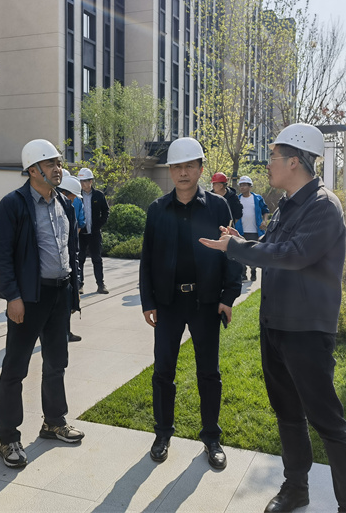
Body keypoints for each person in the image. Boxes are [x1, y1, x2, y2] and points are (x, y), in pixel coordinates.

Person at [199, 123, 346, 513]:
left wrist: (236, 248)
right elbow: (274, 246)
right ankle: (296, 489)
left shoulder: (323, 205)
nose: (267, 164)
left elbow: (293, 254)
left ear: (294, 161)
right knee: (288, 413)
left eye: (273, 156)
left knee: (328, 422)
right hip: (275, 325)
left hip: (306, 330)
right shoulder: (288, 203)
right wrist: (240, 241)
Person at [140, 137, 242, 470]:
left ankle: (211, 437)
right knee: (163, 372)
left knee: (209, 373)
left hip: (206, 302)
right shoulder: (157, 209)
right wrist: (148, 301)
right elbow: (147, 259)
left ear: (200, 169)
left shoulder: (218, 207)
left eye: (189, 166)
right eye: (177, 167)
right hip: (168, 303)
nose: (183, 173)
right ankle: (162, 434)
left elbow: (232, 253)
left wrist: (228, 297)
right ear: (170, 171)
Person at [0, 139, 84, 469]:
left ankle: (54, 422)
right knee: (15, 368)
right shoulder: (13, 204)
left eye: (59, 163)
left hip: (59, 294)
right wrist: (13, 297)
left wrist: (73, 291)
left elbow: (71, 250)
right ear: (33, 170)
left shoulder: (64, 203)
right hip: (29, 298)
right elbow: (3, 256)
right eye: (50, 164)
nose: (58, 169)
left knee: (57, 362)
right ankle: (9, 438)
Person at [59, 173, 85, 343]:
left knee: (67, 301)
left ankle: (66, 332)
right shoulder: (58, 209)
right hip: (59, 265)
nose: (74, 200)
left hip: (68, 262)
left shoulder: (69, 208)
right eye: (73, 196)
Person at [76, 167, 110, 294]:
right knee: (80, 259)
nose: (82, 184)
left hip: (94, 233)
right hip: (81, 234)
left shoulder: (98, 195)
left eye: (85, 181)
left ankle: (100, 285)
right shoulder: (77, 196)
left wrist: (99, 225)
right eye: (81, 181)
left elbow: (106, 211)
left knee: (97, 259)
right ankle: (79, 285)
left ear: (91, 181)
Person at [235, 175, 270, 282]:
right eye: (241, 185)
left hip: (255, 231)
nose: (242, 187)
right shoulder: (237, 199)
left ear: (250, 186)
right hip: (241, 231)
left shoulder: (257, 198)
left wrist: (264, 221)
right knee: (241, 254)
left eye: (244, 185)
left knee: (253, 253)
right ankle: (243, 274)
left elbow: (265, 211)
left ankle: (253, 272)